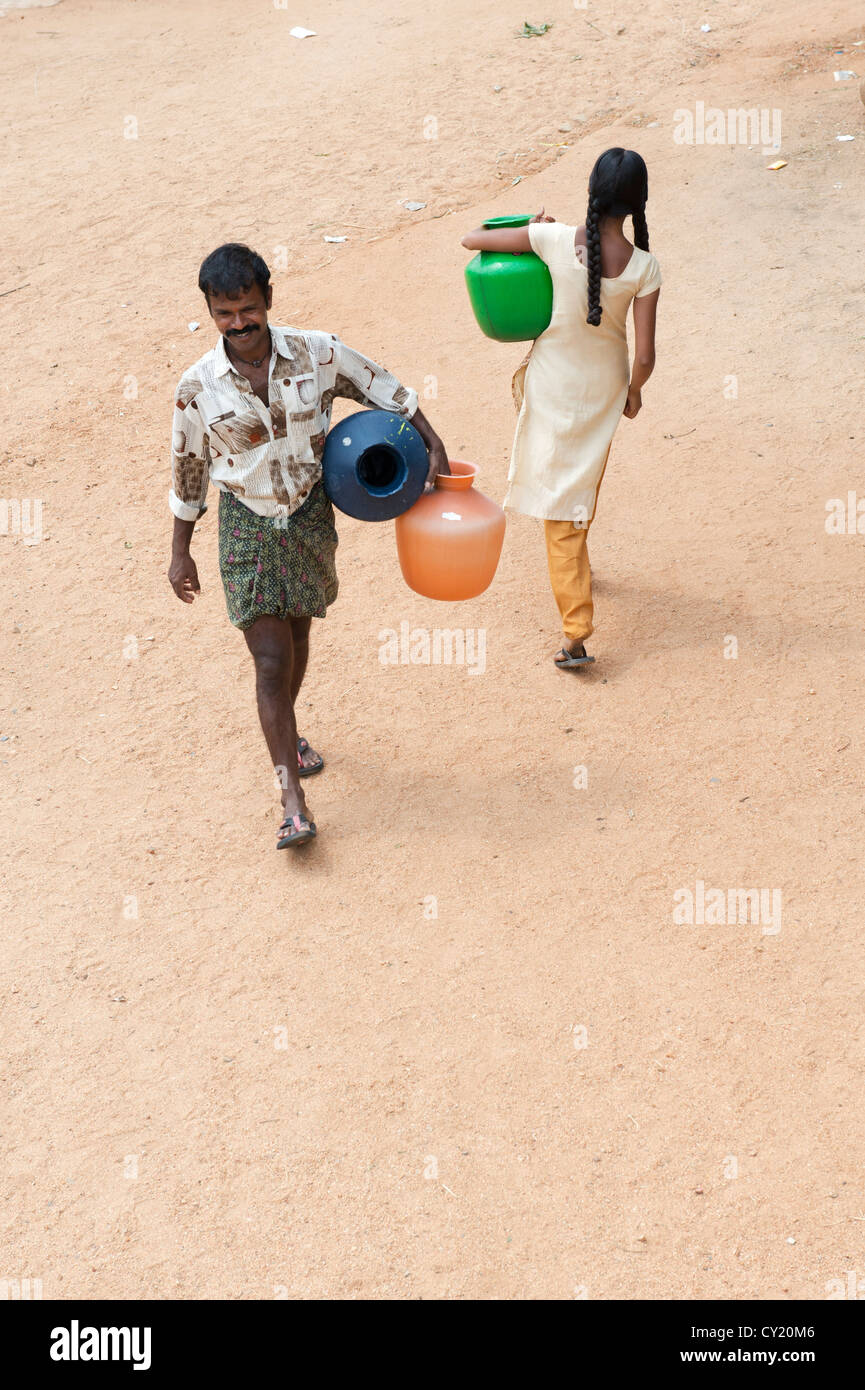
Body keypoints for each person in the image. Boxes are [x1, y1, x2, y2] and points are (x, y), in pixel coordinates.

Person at [167, 243, 449, 847]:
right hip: (245, 524)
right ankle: (292, 798)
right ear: (210, 312)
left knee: (297, 640)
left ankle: (286, 732)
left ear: (267, 299)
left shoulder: (318, 353)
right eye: (224, 313)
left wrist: (433, 445)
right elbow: (189, 466)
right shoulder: (198, 387)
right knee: (269, 660)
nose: (238, 323)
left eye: (247, 308)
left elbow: (383, 387)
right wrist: (180, 548)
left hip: (309, 516)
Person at [461, 148, 661, 668]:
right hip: (605, 391)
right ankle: (580, 566)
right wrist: (634, 391)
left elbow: (473, 240)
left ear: (591, 192)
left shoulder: (553, 238)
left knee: (559, 510)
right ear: (638, 201)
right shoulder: (645, 267)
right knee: (581, 480)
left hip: (553, 386)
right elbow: (645, 356)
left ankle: (576, 635)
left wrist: (532, 226)